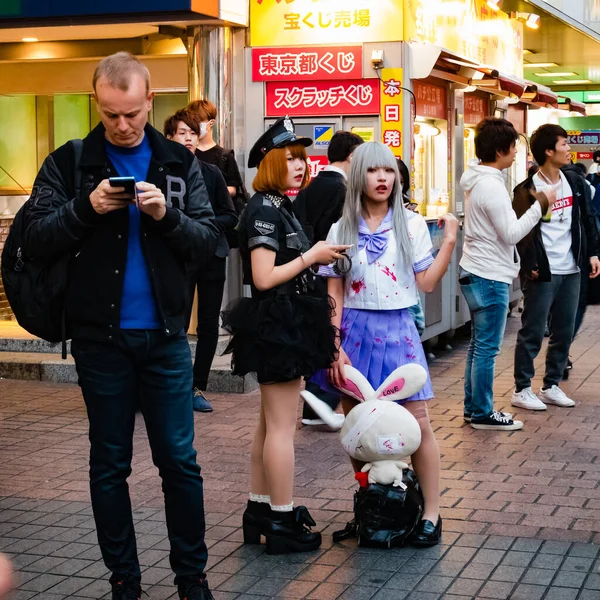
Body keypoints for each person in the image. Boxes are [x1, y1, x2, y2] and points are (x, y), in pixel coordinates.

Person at [23, 52, 219, 600]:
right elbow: (33, 239)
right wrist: (86, 208)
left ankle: (191, 577)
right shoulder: (70, 162)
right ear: (97, 103)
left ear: (150, 100)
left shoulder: (180, 163)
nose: (123, 125)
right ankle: (124, 580)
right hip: (98, 340)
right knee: (109, 463)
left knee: (179, 461)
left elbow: (209, 243)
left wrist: (166, 216)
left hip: (164, 339)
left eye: (131, 113)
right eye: (111, 114)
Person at [311, 142, 459, 547]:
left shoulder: (410, 224)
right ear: (359, 175)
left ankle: (431, 513)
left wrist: (448, 242)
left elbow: (426, 283)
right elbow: (334, 292)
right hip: (354, 331)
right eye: (374, 171)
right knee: (359, 426)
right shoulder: (339, 229)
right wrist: (334, 343)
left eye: (389, 171)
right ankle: (371, 504)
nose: (383, 179)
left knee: (419, 422)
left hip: (398, 329)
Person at [221, 116, 350, 554]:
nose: (301, 164)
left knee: (269, 424)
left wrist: (315, 256)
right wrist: (312, 255)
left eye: (302, 157)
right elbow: (262, 277)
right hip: (278, 323)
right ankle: (280, 515)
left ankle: (261, 508)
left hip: (285, 320)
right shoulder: (263, 208)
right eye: (291, 158)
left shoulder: (276, 205)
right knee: (280, 427)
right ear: (271, 162)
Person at [459, 117, 556, 431]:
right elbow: (511, 233)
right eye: (513, 148)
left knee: (478, 344)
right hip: (489, 274)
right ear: (500, 150)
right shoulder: (491, 185)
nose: (516, 153)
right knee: (487, 346)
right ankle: (483, 412)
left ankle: (474, 408)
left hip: (475, 268)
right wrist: (540, 204)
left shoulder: (475, 178)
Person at [512, 124, 600, 412]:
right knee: (533, 331)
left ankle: (551, 385)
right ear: (548, 151)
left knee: (564, 330)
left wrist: (593, 253)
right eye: (563, 143)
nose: (568, 149)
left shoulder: (573, 182)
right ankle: (522, 388)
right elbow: (521, 235)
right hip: (543, 272)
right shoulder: (526, 190)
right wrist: (530, 265)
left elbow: (586, 218)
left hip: (572, 268)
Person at [164, 108, 238, 412]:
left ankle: (197, 386)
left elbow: (230, 215)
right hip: (175, 257)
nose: (188, 138)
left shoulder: (211, 172)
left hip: (211, 254)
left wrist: (204, 227)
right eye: (181, 133)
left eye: (192, 133)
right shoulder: (161, 173)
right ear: (168, 138)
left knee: (208, 325)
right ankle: (174, 385)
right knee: (176, 321)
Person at [294, 130, 363, 430]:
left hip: (306, 270)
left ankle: (315, 401)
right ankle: (319, 399)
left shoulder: (311, 186)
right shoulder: (342, 190)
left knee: (321, 330)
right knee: (333, 331)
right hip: (329, 269)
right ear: (351, 155)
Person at [187, 99, 246, 207]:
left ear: (211, 123)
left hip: (219, 216)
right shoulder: (188, 152)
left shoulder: (225, 155)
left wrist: (209, 192)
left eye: (198, 121)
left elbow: (233, 189)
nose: (194, 126)